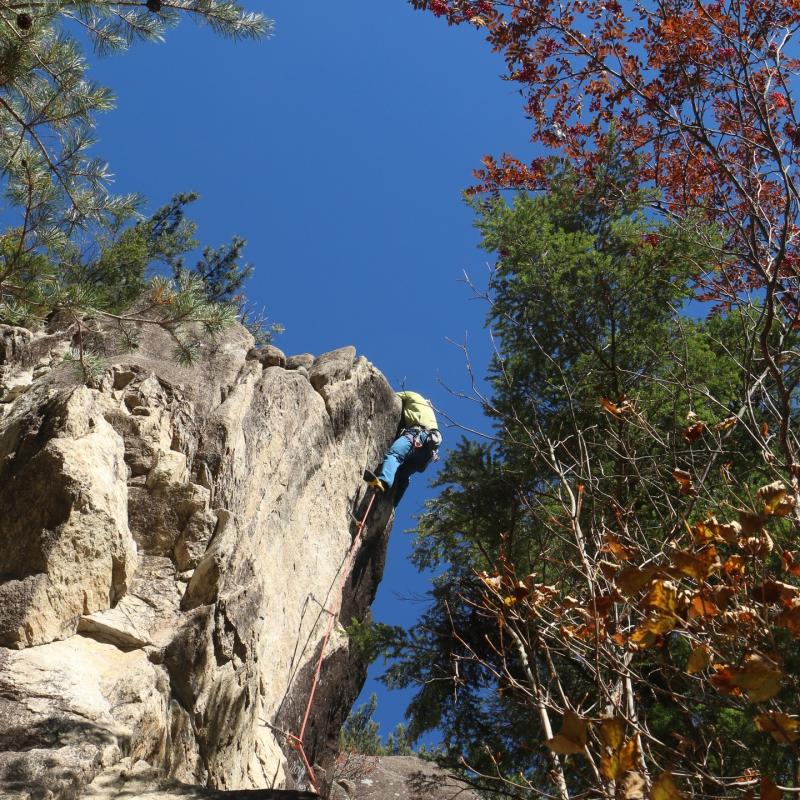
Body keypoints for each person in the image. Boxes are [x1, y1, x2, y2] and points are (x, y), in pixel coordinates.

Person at [363, 390, 443, 506]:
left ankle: (383, 482)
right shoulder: (431, 416)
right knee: (404, 476)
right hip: (427, 453)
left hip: (416, 435)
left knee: (394, 455)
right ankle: (393, 505)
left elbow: (391, 397)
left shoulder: (413, 396)